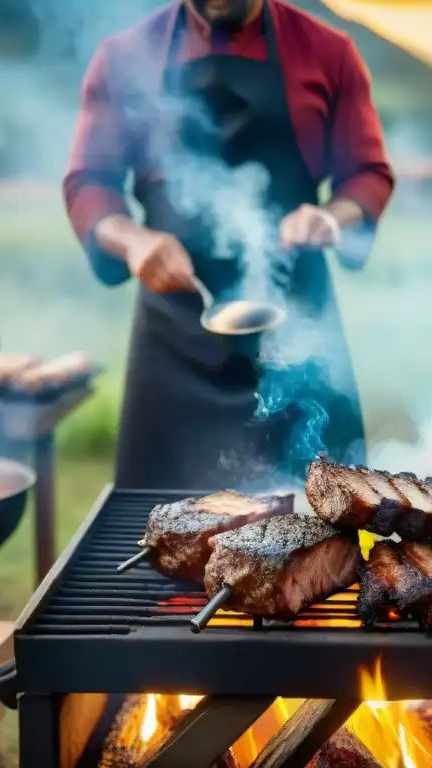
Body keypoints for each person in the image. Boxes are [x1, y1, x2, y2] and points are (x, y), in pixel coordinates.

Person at [63, 0, 394, 489]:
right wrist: (132, 241)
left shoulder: (329, 52)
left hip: (299, 330)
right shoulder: (124, 56)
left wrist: (330, 215)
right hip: (175, 331)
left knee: (326, 529)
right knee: (162, 527)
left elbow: (366, 174)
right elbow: (89, 183)